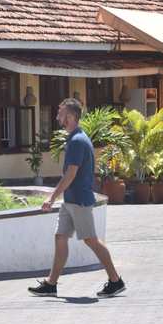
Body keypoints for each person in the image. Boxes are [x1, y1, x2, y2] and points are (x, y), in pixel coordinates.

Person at [28, 97, 126, 298]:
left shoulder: (77, 141)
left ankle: (116, 280)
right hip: (71, 200)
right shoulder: (76, 138)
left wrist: (52, 198)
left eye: (61, 114)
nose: (57, 117)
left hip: (79, 200)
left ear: (70, 117)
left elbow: (70, 174)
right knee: (60, 238)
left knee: (91, 240)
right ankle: (51, 284)